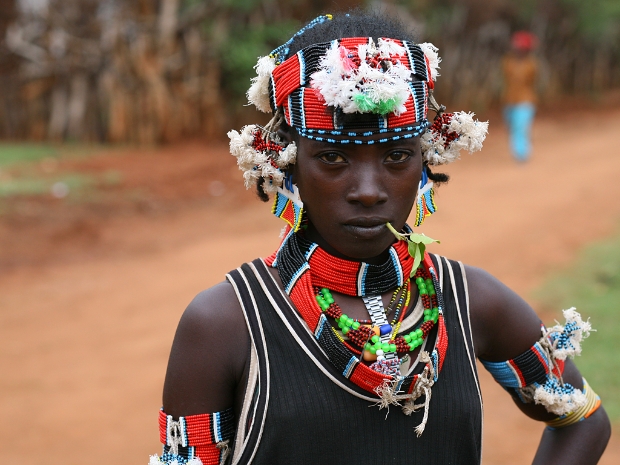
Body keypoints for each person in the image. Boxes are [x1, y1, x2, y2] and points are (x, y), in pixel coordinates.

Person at [150, 12, 610, 465]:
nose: (368, 191)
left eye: (396, 156)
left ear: (426, 160)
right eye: (332, 158)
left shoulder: (472, 302)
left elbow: (584, 419)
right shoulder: (225, 325)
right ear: (287, 163)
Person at [502, 31, 539, 162]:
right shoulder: (508, 61)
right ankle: (520, 151)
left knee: (520, 127)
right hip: (510, 100)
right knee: (512, 127)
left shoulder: (531, 64)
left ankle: (521, 154)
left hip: (525, 101)